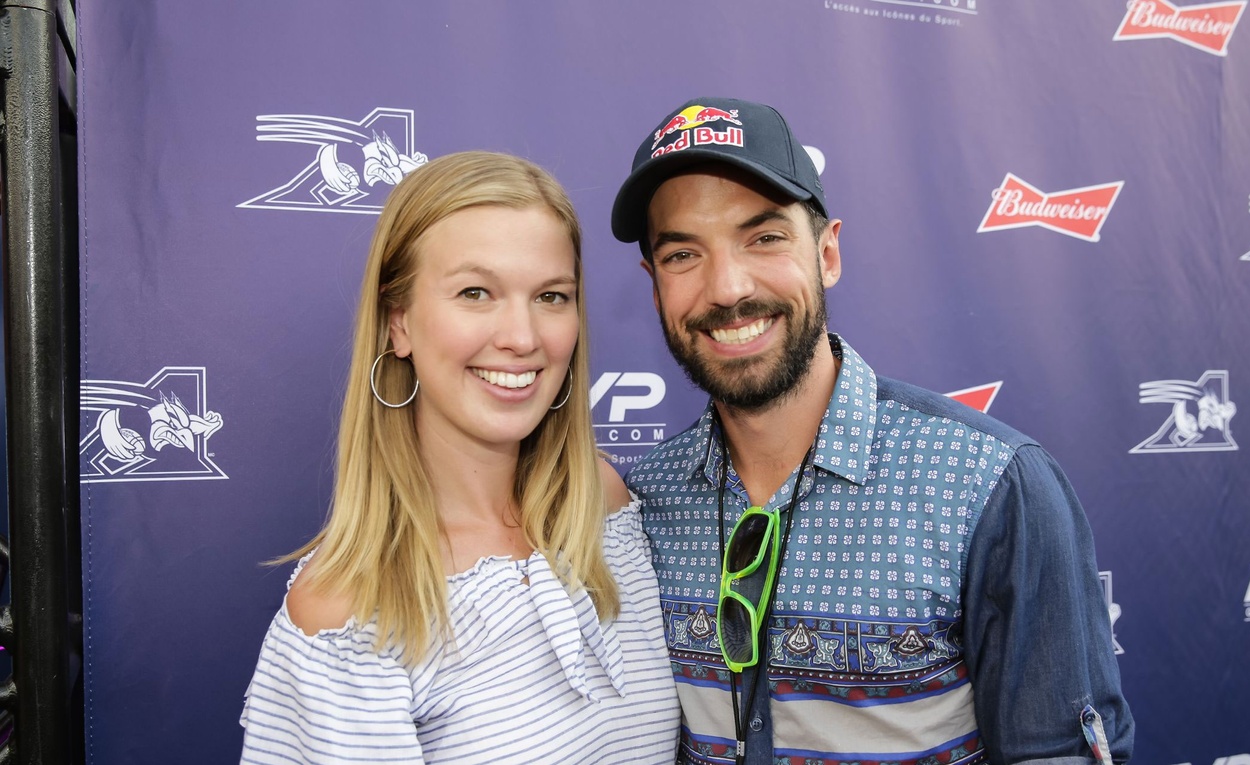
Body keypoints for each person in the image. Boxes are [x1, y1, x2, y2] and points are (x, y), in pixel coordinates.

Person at [610, 98, 1134, 765]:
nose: (728, 286)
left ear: (827, 253)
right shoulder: (641, 502)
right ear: (654, 286)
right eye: (684, 253)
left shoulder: (989, 484)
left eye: (764, 237)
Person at [240, 151, 678, 764]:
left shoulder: (602, 504)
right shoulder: (349, 609)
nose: (523, 337)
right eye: (476, 292)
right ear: (399, 323)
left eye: (552, 296)